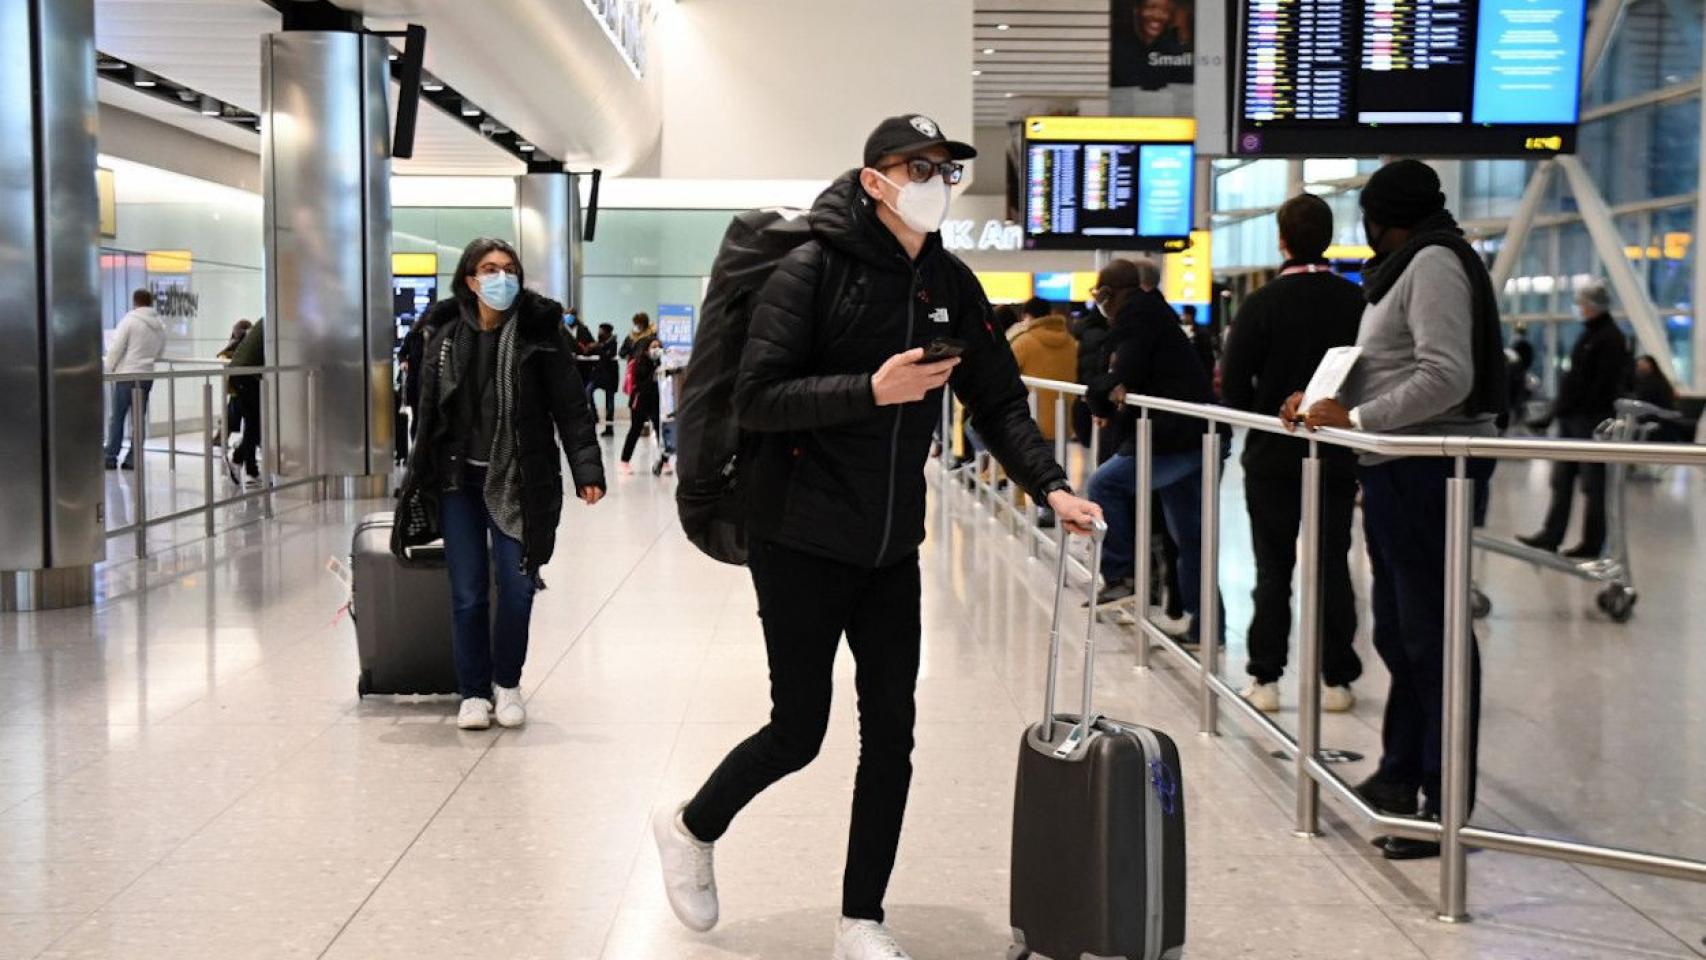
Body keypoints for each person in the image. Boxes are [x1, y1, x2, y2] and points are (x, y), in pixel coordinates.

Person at [650, 114, 1101, 960]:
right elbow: (757, 398)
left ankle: (862, 918)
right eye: (918, 166)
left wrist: (1052, 486)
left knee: (892, 732)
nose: (935, 181)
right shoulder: (808, 272)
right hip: (799, 539)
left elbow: (997, 400)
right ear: (875, 181)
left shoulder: (953, 284)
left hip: (893, 544)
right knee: (799, 730)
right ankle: (689, 825)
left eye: (946, 170)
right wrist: (872, 389)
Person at [1286, 158, 1505, 860]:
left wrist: (1357, 416)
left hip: (1429, 470)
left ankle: (1443, 804)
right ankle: (1400, 772)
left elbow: (1448, 374)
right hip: (1394, 470)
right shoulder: (1403, 267)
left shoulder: (1434, 262)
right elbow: (1393, 361)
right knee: (1401, 633)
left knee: (1432, 636)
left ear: (1381, 216)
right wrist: (1323, 404)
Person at [392, 238, 606, 731]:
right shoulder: (443, 334)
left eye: (509, 269)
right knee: (467, 591)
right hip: (456, 482)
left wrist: (587, 470)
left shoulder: (540, 332)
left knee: (518, 587)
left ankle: (506, 683)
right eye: (489, 268)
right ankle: (473, 692)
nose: (501, 277)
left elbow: (571, 407)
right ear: (470, 279)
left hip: (517, 479)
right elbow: (426, 412)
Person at [1220, 193, 1364, 714]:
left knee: (1272, 568)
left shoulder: (1260, 305)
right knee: (1332, 564)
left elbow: (1234, 388)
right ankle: (1336, 680)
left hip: (1272, 458)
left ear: (1281, 239)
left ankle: (1267, 679)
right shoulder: (1356, 302)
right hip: (1338, 454)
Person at [1084, 257, 1227, 646]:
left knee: (1103, 485)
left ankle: (1120, 576)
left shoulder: (1136, 318)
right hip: (1198, 437)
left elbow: (1118, 376)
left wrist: (1099, 397)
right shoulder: (1156, 314)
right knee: (1192, 537)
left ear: (1111, 294)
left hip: (1169, 438)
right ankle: (1207, 627)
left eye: (1100, 296)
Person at [1519, 282, 1631, 558]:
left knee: (1593, 486)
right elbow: (1575, 379)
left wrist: (1570, 408)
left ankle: (1592, 543)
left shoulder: (1609, 338)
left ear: (1593, 305)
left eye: (1582, 303)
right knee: (1562, 479)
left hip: (1590, 419)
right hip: (1574, 417)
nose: (1579, 308)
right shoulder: (1591, 335)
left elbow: (1599, 385)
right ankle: (1551, 534)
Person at [103, 289, 167, 471]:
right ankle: (133, 458)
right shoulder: (159, 324)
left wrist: (109, 367)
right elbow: (160, 352)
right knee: (139, 419)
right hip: (146, 376)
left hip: (127, 374)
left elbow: (116, 348)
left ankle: (110, 456)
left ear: (135, 302)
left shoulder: (130, 321)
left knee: (117, 417)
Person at [1110, 0, 1191, 91]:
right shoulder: (1117, 49)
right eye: (1151, 7)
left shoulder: (1174, 53)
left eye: (1165, 10)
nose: (1157, 15)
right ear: (1136, 10)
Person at [619, 313, 662, 472]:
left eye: (659, 347)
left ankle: (663, 462)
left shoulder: (661, 362)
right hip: (639, 401)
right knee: (635, 430)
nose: (657, 350)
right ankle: (624, 461)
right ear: (646, 350)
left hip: (655, 401)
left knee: (660, 430)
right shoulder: (639, 364)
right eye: (653, 347)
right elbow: (622, 352)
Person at [226, 318, 265, 485]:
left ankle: (248, 467)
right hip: (246, 375)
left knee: (255, 423)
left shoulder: (268, 321)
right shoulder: (274, 322)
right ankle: (242, 462)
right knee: (255, 423)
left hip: (244, 374)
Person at [587, 322, 620, 437]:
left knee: (609, 404)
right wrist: (590, 348)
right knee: (588, 391)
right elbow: (590, 352)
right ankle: (594, 415)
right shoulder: (599, 343)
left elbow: (607, 356)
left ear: (607, 332)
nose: (599, 333)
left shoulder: (613, 343)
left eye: (601, 331)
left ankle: (609, 428)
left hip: (610, 377)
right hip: (598, 375)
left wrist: (598, 347)